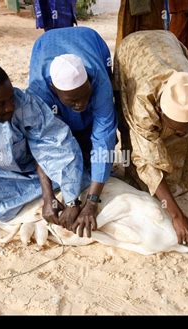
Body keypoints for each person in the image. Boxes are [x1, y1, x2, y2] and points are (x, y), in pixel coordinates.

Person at [0, 61, 85, 232]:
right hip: (5, 175)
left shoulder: (26, 103)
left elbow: (52, 148)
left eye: (11, 97)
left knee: (79, 177)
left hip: (40, 168)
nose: (10, 106)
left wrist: (68, 201)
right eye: (0, 104)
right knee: (1, 209)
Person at [114, 30, 188, 247]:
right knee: (131, 132)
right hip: (133, 51)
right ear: (159, 111)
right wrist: (176, 215)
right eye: (176, 128)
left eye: (186, 129)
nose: (181, 134)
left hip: (167, 41)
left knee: (180, 144)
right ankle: (132, 174)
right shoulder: (142, 101)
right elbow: (146, 159)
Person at [27, 27, 117, 238]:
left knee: (93, 151)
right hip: (45, 45)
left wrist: (91, 203)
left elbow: (104, 138)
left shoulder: (99, 82)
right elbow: (41, 141)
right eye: (73, 101)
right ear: (55, 91)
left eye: (85, 96)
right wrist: (48, 197)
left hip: (88, 39)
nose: (82, 104)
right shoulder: (40, 90)